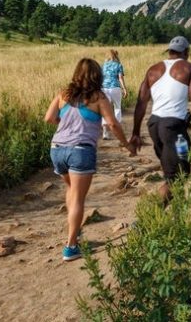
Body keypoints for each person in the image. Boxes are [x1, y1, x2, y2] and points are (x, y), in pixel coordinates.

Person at [45, 58, 135, 261]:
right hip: (80, 151)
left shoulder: (64, 94)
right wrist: (126, 144)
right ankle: (71, 246)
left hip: (57, 148)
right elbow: (112, 124)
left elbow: (49, 118)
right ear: (97, 75)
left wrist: (66, 125)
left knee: (71, 191)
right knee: (78, 197)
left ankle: (74, 232)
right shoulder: (99, 97)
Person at [130, 36, 191, 205]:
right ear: (187, 52)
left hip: (154, 126)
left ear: (169, 51)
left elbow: (141, 102)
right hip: (173, 130)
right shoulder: (190, 68)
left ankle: (176, 214)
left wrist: (136, 132)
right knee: (177, 177)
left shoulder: (153, 70)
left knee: (178, 171)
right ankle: (150, 215)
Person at [101, 49, 128, 140]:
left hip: (104, 88)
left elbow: (101, 78)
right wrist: (124, 89)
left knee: (105, 110)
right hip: (115, 88)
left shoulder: (104, 66)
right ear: (116, 55)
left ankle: (105, 132)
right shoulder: (118, 65)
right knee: (117, 108)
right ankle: (116, 130)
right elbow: (120, 77)